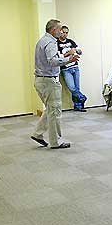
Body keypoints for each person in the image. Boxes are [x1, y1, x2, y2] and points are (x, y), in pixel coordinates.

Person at [31, 19, 79, 149]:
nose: (61, 31)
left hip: (41, 80)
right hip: (48, 81)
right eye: (59, 29)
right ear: (53, 30)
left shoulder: (42, 41)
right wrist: (69, 59)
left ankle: (38, 134)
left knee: (51, 110)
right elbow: (52, 61)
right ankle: (55, 142)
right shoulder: (51, 43)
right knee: (55, 111)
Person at [57, 25, 87, 112]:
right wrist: (69, 52)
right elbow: (59, 57)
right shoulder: (56, 43)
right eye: (63, 32)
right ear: (60, 32)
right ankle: (82, 98)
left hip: (75, 66)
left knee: (77, 87)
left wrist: (77, 51)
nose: (65, 34)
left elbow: (80, 51)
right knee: (72, 87)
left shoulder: (71, 41)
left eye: (66, 32)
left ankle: (78, 106)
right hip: (65, 68)